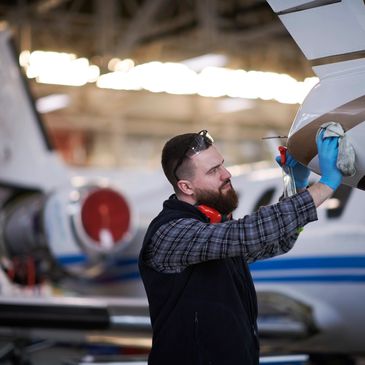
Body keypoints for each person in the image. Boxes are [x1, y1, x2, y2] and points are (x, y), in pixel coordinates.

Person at [138, 129, 342, 365]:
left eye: (222, 164)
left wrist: (294, 184)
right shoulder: (172, 233)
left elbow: (276, 242)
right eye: (213, 171)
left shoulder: (213, 226)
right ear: (186, 187)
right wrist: (325, 185)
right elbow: (248, 233)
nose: (226, 174)